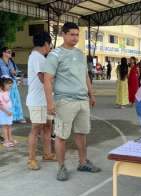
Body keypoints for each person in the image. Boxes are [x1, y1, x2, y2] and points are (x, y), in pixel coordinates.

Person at [43, 22, 101, 181]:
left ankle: (83, 162)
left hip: (82, 100)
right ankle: (61, 167)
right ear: (63, 34)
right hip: (65, 101)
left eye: (77, 35)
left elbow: (85, 76)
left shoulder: (80, 54)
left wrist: (91, 94)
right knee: (62, 136)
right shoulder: (55, 55)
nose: (75, 37)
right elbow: (47, 80)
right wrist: (50, 104)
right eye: (72, 34)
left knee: (81, 133)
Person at [26, 32, 56, 171]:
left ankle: (47, 154)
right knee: (36, 129)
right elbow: (43, 78)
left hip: (45, 100)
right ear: (46, 44)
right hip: (37, 101)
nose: (50, 47)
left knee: (48, 127)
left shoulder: (41, 58)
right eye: (50, 44)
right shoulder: (36, 57)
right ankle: (31, 159)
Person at [0, 47, 25, 123]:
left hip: (12, 83)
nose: (10, 53)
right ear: (3, 53)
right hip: (3, 83)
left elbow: (16, 71)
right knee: (5, 101)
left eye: (10, 52)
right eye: (8, 52)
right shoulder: (0, 62)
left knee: (16, 100)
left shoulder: (11, 62)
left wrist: (16, 73)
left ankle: (18, 117)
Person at [0, 76, 15, 148]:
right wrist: (6, 111)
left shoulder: (7, 92)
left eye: (11, 85)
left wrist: (10, 111)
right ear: (3, 84)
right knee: (5, 126)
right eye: (9, 85)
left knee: (9, 125)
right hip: (3, 112)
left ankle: (10, 139)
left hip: (9, 111)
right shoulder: (0, 93)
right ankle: (6, 141)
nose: (10, 87)